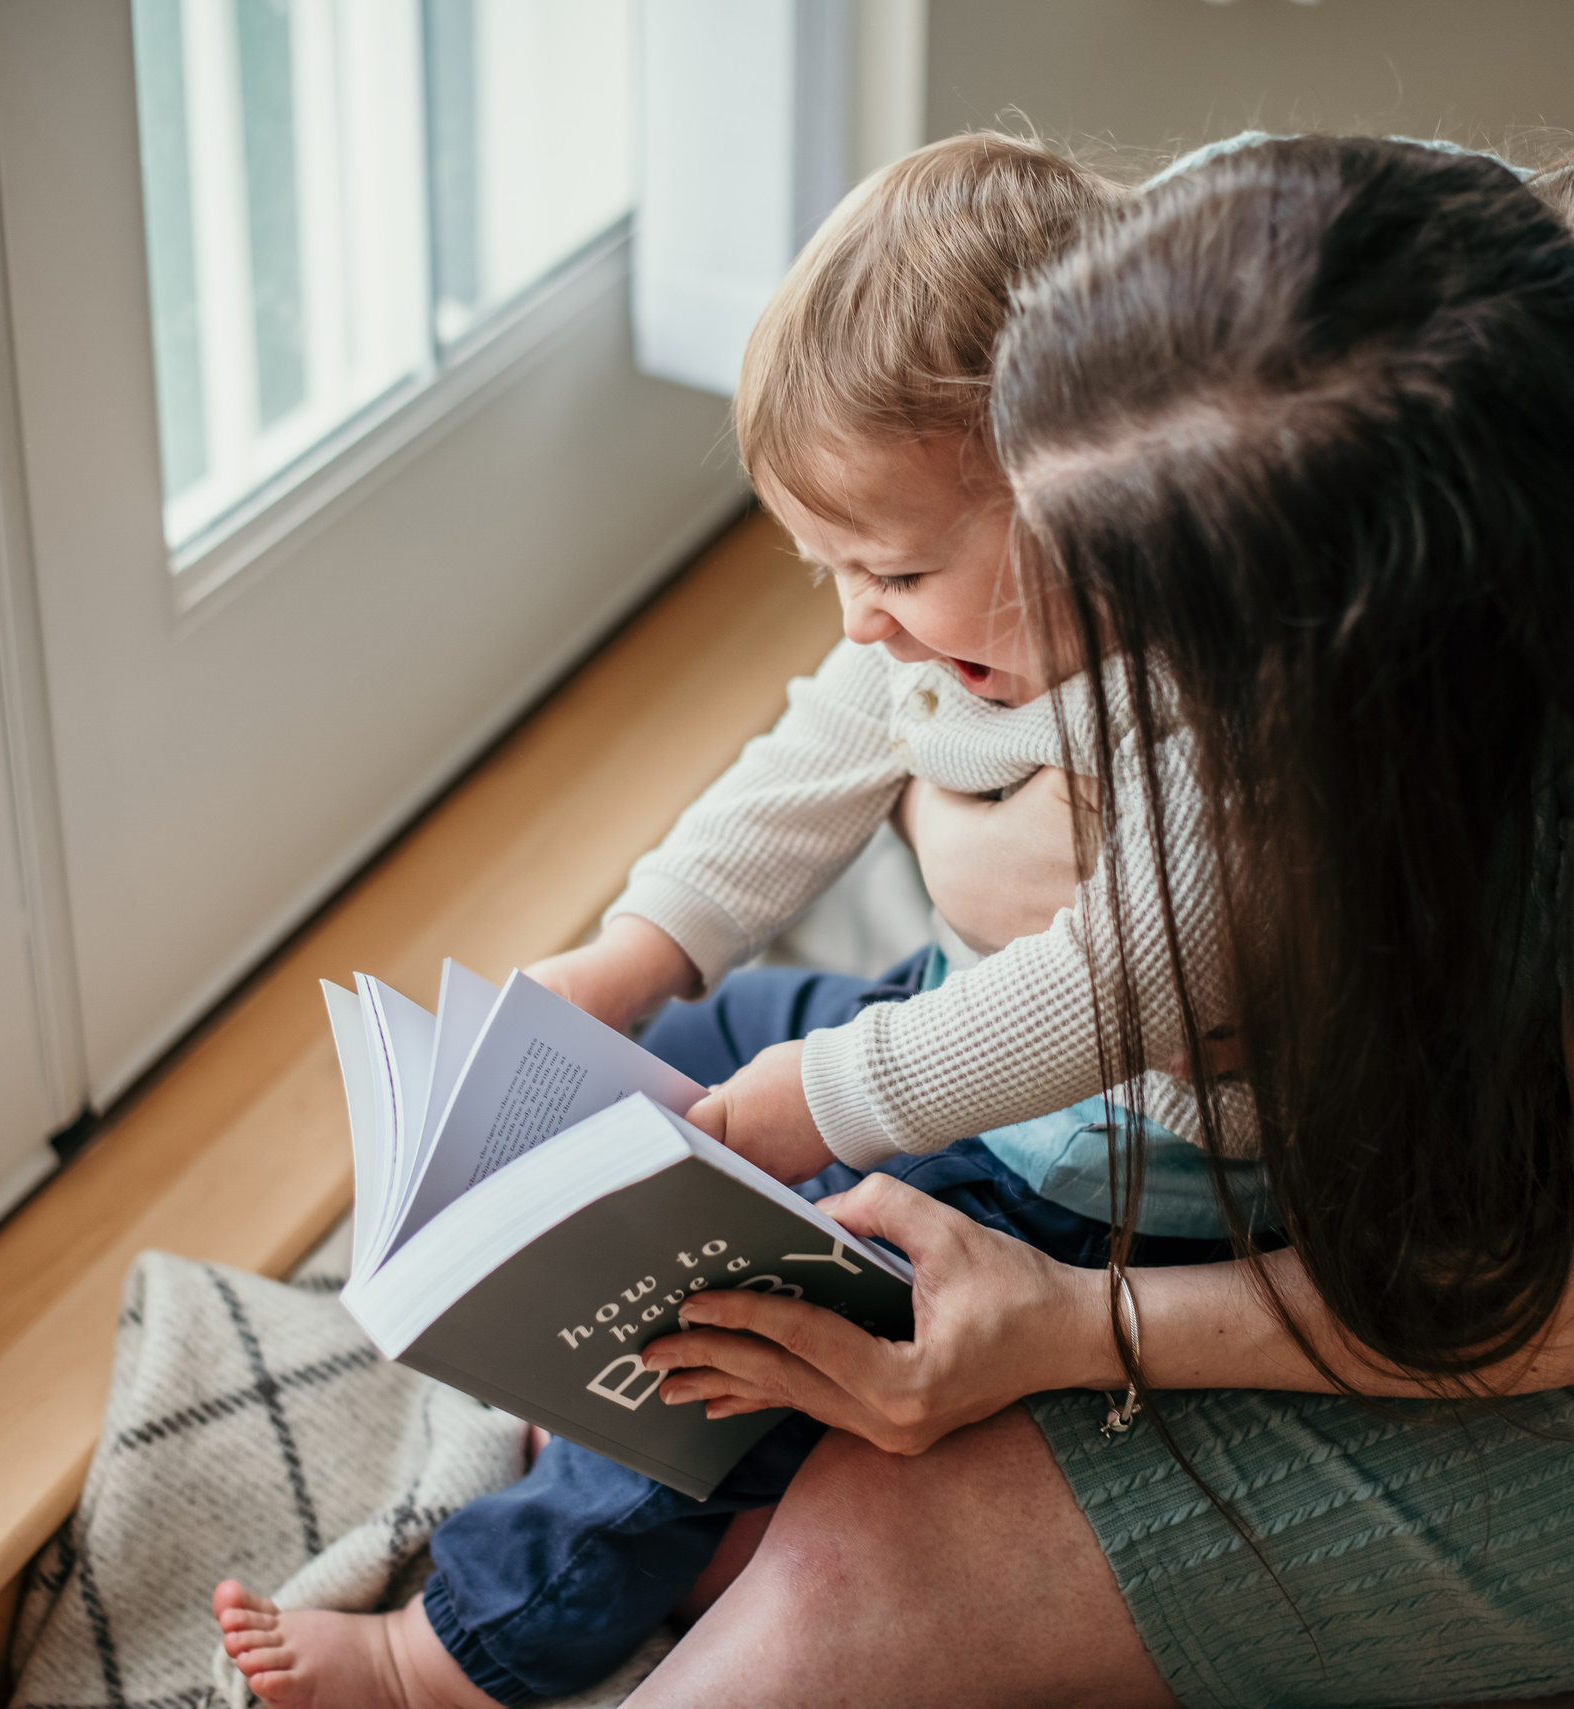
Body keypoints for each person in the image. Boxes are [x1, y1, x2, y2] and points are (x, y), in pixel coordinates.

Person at [235, 131, 1574, 1706]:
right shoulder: (1235, 295)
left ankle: (515, 1624)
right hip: (1322, 1138)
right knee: (735, 1217)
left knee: (866, 1520)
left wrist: (1075, 1322)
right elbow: (944, 767)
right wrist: (827, 904)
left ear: (1380, 650)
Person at [212, 129, 1276, 1708]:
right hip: (947, 1015)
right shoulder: (953, 633)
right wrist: (635, 956)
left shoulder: (1216, 696)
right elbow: (804, 771)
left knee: (741, 1320)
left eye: (897, 566)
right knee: (699, 1043)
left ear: (1108, 486)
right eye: (829, 567)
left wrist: (830, 1102)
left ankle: (455, 1647)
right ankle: (632, 1402)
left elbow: (1113, 988)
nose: (863, 617)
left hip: (1121, 1170)